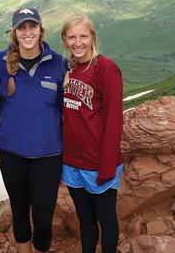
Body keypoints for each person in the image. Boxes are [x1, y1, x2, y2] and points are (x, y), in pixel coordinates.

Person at [0, 8, 66, 253]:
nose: (27, 32)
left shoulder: (59, 63)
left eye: (32, 26)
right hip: (11, 153)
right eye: (22, 27)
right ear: (15, 32)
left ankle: (41, 248)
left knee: (43, 218)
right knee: (19, 211)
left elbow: (66, 106)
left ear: (41, 29)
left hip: (48, 154)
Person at [60, 15, 123, 253]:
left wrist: (107, 165)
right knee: (84, 220)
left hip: (97, 163)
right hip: (72, 163)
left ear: (93, 38)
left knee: (106, 220)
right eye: (72, 37)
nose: (78, 43)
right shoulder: (69, 69)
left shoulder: (105, 68)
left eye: (83, 36)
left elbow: (114, 119)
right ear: (65, 41)